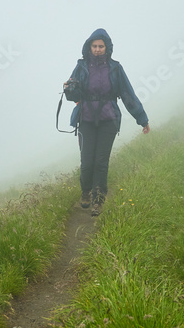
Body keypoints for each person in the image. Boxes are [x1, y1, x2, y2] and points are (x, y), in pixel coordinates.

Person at [63, 28, 149, 216]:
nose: (97, 49)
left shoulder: (115, 68)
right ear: (89, 47)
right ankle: (85, 191)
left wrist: (142, 119)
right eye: (94, 46)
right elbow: (73, 95)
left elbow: (128, 95)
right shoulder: (81, 67)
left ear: (107, 47)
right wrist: (70, 90)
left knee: (101, 162)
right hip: (85, 119)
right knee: (87, 162)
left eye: (101, 46)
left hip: (108, 120)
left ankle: (98, 200)